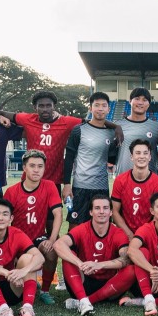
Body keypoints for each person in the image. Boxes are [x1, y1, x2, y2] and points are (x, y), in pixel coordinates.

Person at [54, 192, 136, 316]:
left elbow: (126, 259)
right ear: (91, 212)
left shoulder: (118, 233)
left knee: (131, 269)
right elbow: (58, 244)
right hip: (83, 283)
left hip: (110, 287)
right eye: (97, 208)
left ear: (111, 212)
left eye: (105, 208)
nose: (101, 211)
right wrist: (80, 264)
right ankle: (82, 299)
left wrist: (100, 265)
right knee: (69, 256)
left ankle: (85, 302)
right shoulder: (82, 229)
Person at [4, 149, 63, 304]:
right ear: (24, 168)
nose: (36, 170)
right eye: (32, 166)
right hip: (17, 238)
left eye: (40, 166)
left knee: (51, 250)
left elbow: (58, 214)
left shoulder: (50, 186)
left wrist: (51, 239)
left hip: (38, 237)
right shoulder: (12, 191)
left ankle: (44, 290)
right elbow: (4, 220)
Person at [63, 91, 119, 229]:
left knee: (102, 225)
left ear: (108, 109)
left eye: (104, 105)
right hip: (80, 186)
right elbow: (69, 157)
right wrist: (66, 184)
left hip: (101, 187)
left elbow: (112, 158)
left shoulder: (112, 133)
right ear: (90, 108)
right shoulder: (79, 130)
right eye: (97, 105)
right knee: (75, 226)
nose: (100, 108)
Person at [4, 90, 83, 186]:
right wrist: (0, 117)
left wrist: (107, 125)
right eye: (41, 106)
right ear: (35, 107)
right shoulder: (28, 119)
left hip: (54, 182)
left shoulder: (67, 122)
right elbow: (1, 113)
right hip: (29, 180)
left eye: (48, 105)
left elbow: (93, 122)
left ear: (54, 106)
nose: (45, 109)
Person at [112, 139, 158, 238]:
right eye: (138, 153)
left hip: (149, 233)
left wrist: (141, 236)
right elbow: (114, 211)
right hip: (125, 233)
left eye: (145, 153)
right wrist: (129, 234)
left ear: (150, 157)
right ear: (131, 157)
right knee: (123, 252)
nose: (142, 156)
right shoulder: (120, 180)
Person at [115, 87, 158, 175]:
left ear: (149, 104)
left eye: (144, 100)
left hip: (151, 180)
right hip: (124, 178)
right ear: (130, 101)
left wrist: (153, 159)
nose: (140, 102)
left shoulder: (157, 127)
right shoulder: (118, 126)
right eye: (137, 99)